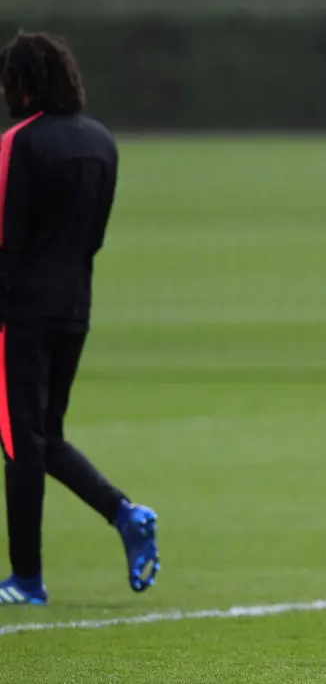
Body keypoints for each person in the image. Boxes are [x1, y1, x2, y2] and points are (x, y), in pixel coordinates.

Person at [0, 31, 159, 606]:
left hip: (19, 313)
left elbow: (4, 237)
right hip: (74, 306)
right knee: (45, 438)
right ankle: (126, 514)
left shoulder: (18, 143)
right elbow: (94, 237)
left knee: (20, 443)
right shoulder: (102, 143)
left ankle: (26, 580)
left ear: (22, 84)